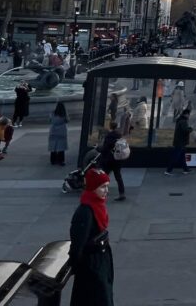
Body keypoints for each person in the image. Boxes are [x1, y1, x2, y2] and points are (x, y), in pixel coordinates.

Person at [69, 168, 115, 306]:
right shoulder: (85, 212)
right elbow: (78, 244)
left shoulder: (96, 205)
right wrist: (77, 265)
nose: (106, 191)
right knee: (97, 298)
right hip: (92, 264)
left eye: (107, 186)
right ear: (92, 188)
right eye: (102, 187)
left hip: (101, 258)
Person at [99, 124, 128, 201]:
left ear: (110, 127)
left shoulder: (108, 136)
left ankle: (103, 192)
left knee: (104, 176)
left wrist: (99, 150)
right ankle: (122, 193)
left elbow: (105, 148)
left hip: (109, 159)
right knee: (118, 177)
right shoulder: (119, 135)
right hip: (118, 159)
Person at [164, 108, 193, 175]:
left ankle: (186, 169)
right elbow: (185, 130)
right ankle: (168, 170)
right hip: (180, 142)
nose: (189, 116)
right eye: (188, 115)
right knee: (176, 157)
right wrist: (191, 129)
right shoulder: (183, 121)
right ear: (186, 114)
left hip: (180, 142)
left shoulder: (180, 120)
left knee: (182, 156)